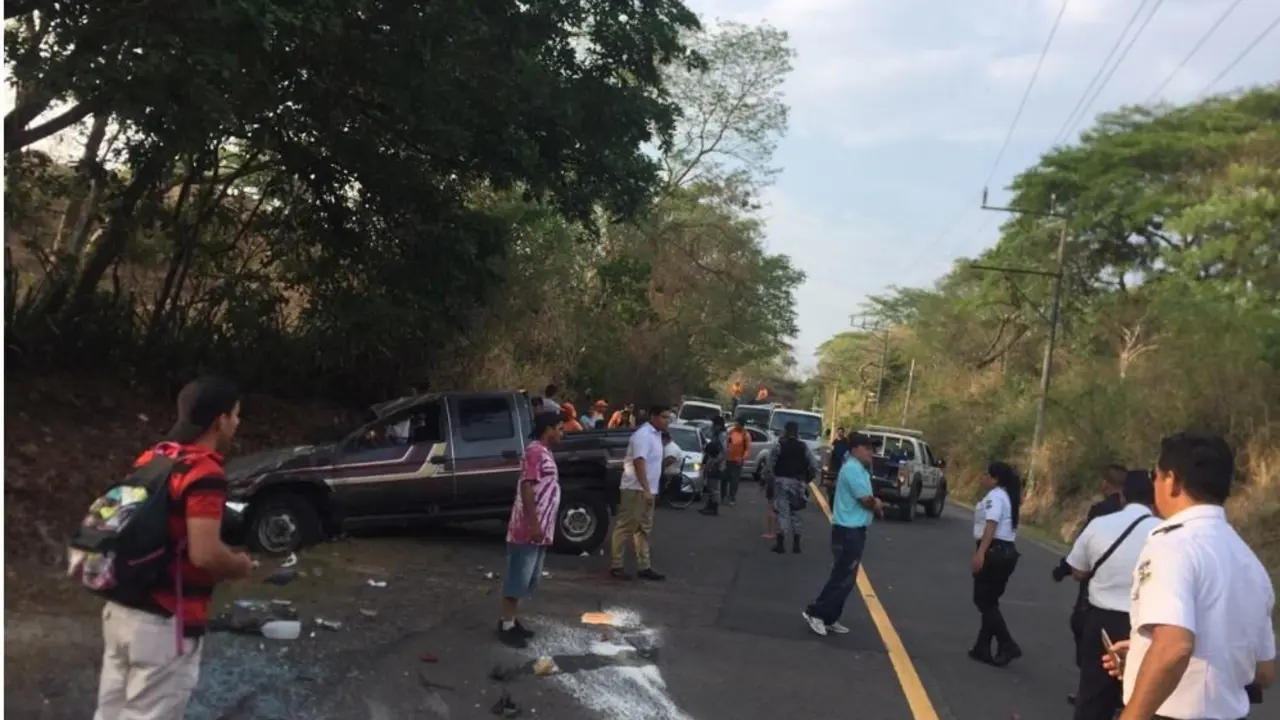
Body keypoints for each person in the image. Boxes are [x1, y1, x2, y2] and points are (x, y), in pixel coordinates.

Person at [94, 375, 255, 720]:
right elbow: (205, 553)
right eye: (236, 415)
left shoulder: (153, 457)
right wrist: (239, 565)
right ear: (220, 420)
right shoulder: (204, 472)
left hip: (122, 606)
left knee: (111, 711)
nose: (237, 423)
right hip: (164, 622)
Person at [1101, 433, 1275, 720]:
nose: (1154, 483)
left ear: (1173, 480)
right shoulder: (1249, 562)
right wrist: (1147, 651)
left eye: (1153, 475)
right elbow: (1264, 670)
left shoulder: (1172, 544)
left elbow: (1174, 646)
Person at [1066, 469, 1160, 720]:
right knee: (1141, 699)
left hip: (1102, 623)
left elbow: (1077, 569)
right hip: (1147, 626)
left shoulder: (1100, 525)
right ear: (1155, 498)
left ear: (1122, 496)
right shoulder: (1165, 533)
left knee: (1093, 699)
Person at [1057, 463, 1128, 699]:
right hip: (1131, 592)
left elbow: (1084, 548)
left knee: (1086, 634)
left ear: (1106, 483)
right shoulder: (1150, 519)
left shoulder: (1100, 512)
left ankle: (1089, 690)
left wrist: (1064, 569)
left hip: (1096, 585)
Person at [803, 432, 881, 636]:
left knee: (848, 577)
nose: (871, 453)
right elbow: (866, 499)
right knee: (842, 576)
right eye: (867, 448)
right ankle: (816, 612)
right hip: (848, 530)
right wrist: (878, 505)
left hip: (855, 528)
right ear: (855, 449)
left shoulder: (860, 469)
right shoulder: (853, 469)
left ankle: (830, 616)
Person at [497, 412, 564, 648]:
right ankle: (505, 625)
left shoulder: (544, 453)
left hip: (539, 530)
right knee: (517, 578)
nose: (562, 432)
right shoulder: (535, 452)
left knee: (527, 579)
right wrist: (533, 523)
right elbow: (527, 487)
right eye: (559, 428)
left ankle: (512, 621)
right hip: (527, 529)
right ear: (548, 430)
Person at [969, 461, 1024, 667]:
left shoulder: (996, 496)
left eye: (986, 474)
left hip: (994, 550)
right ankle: (982, 646)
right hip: (1006, 552)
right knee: (990, 601)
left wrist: (981, 552)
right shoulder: (1008, 496)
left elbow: (991, 524)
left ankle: (1007, 642)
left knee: (983, 600)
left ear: (995, 479)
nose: (983, 477)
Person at [610, 405, 671, 581]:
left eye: (668, 418)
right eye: (664, 417)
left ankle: (644, 566)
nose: (667, 421)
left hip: (648, 489)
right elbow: (639, 462)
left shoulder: (657, 436)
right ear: (654, 416)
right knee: (626, 526)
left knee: (644, 528)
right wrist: (645, 488)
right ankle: (616, 565)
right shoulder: (643, 435)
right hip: (635, 488)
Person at [769, 421, 815, 555]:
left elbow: (770, 464)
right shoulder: (803, 447)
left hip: (782, 482)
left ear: (785, 431)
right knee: (796, 513)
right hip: (798, 483)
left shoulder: (780, 446)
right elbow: (813, 465)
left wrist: (770, 479)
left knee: (782, 512)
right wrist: (806, 480)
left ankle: (780, 544)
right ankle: (796, 545)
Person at [699, 416, 728, 516]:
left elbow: (723, 452)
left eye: (714, 425)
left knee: (714, 486)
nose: (712, 427)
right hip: (713, 461)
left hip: (717, 464)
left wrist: (715, 461)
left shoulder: (722, 435)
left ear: (718, 426)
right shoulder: (717, 435)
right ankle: (709, 506)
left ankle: (713, 508)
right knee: (710, 485)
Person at [723, 419, 751, 506]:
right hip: (728, 459)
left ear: (741, 425)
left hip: (737, 461)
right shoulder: (731, 431)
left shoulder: (745, 435)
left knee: (734, 481)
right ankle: (723, 497)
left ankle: (732, 498)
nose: (735, 425)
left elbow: (747, 449)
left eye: (737, 424)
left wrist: (742, 458)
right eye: (735, 424)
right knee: (724, 479)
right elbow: (726, 443)